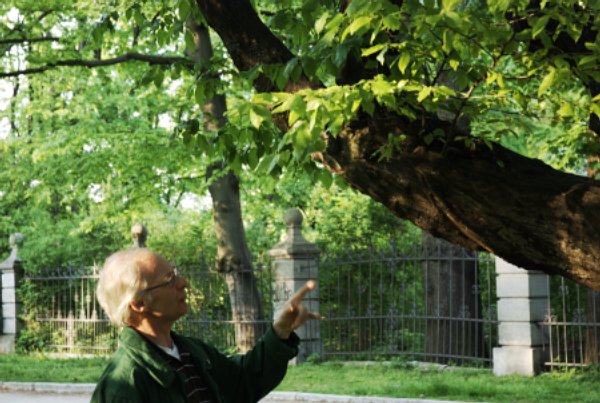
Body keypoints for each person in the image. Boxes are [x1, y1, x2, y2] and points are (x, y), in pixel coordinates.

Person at [91, 247, 319, 403]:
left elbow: (243, 381)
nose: (183, 283)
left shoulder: (191, 352)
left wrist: (280, 332)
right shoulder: (123, 385)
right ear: (139, 304)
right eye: (169, 279)